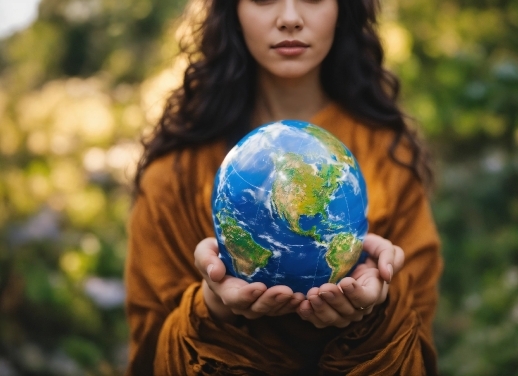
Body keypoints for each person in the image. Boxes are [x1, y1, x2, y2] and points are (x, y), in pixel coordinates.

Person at [125, 0, 443, 375]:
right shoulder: (173, 176)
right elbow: (148, 353)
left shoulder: (389, 158)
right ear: (232, 10)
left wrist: (376, 311)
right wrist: (211, 307)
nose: (290, 18)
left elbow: (418, 338)